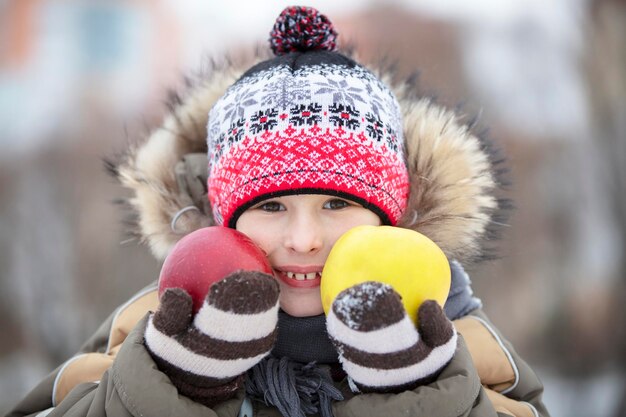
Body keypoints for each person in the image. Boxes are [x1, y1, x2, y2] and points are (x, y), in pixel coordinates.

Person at [7, 6, 549, 417]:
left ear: (390, 217)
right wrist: (171, 386)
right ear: (226, 220)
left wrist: (422, 394)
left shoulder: (451, 333)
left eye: (337, 202)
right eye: (270, 205)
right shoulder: (153, 326)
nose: (304, 238)